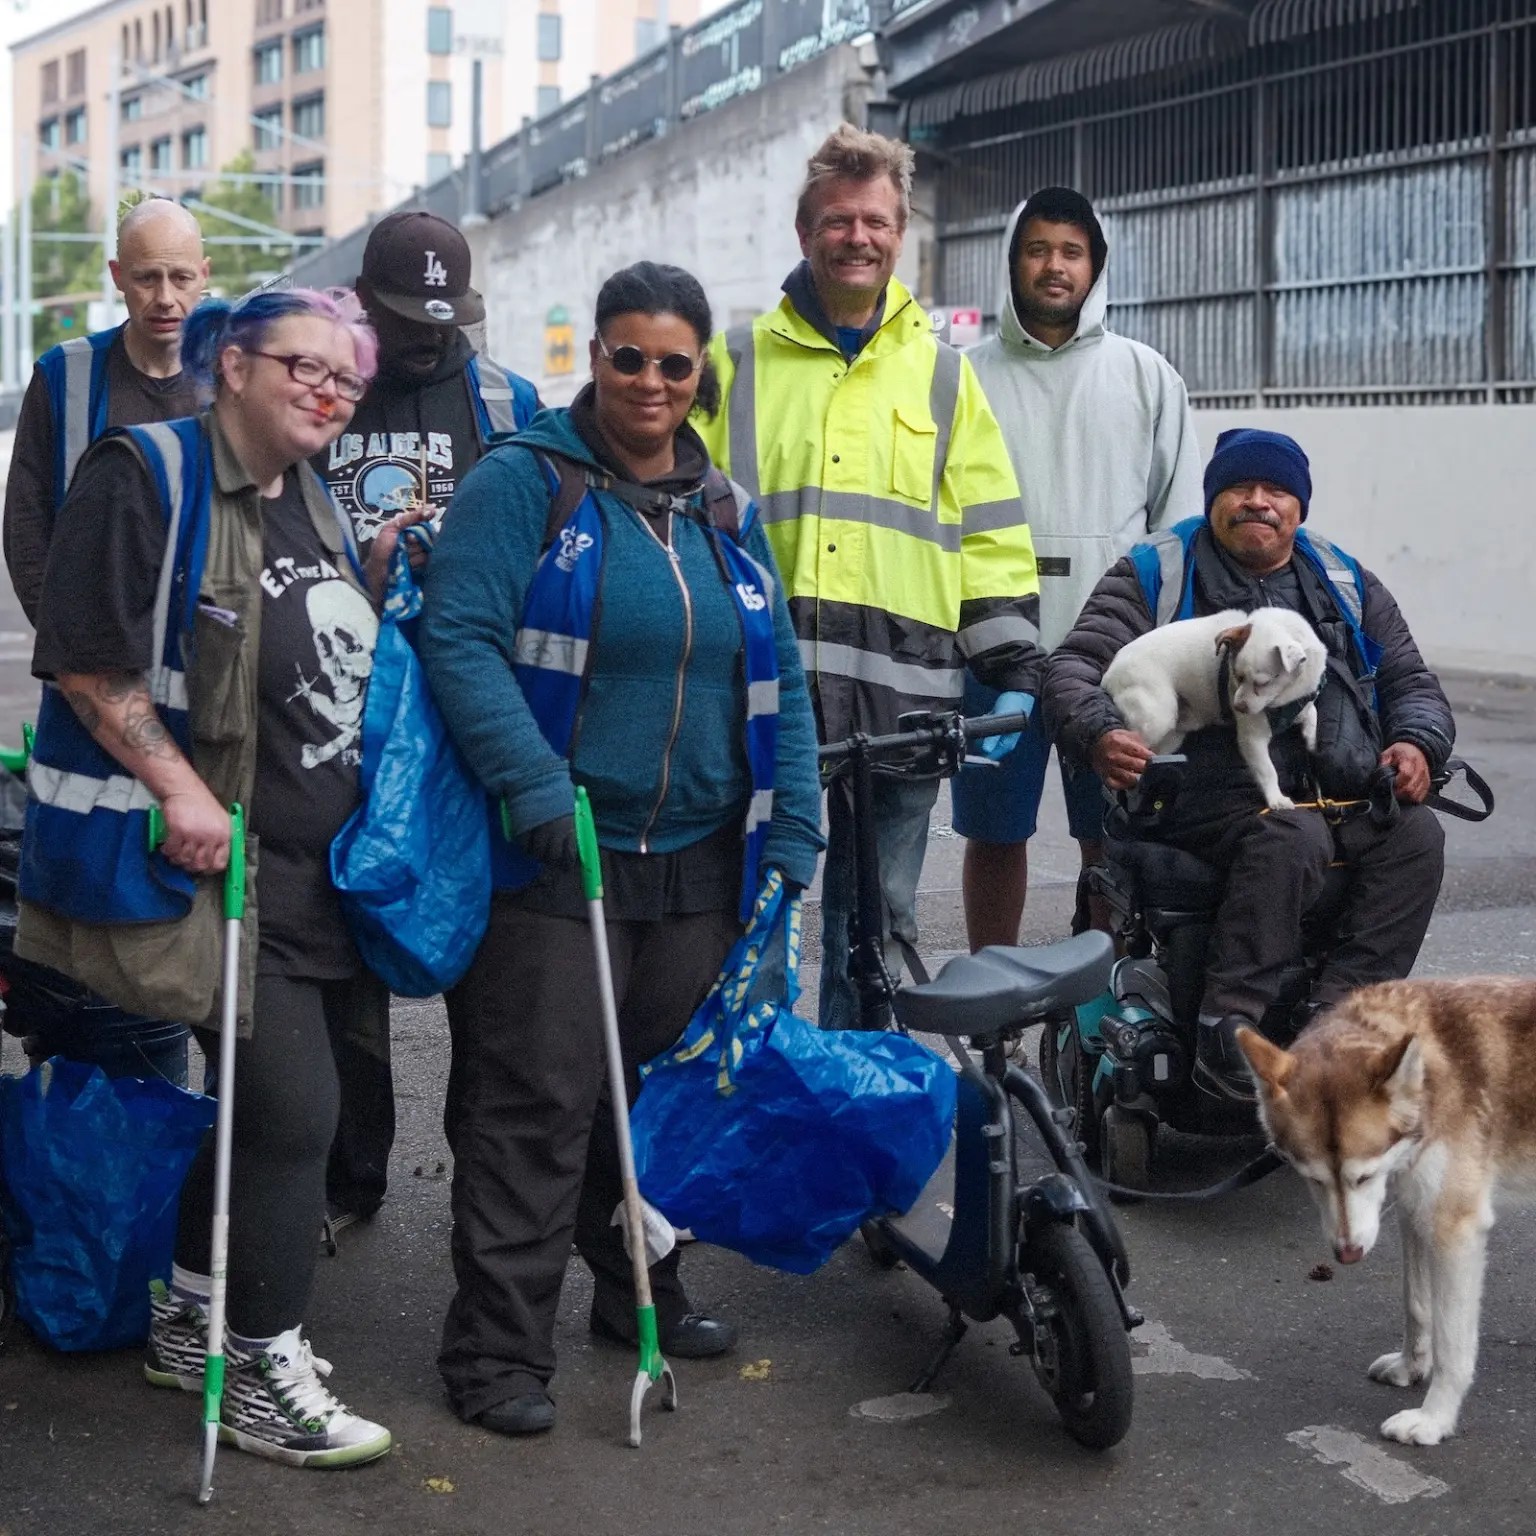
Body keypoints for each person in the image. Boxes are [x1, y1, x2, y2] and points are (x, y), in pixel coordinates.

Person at [16, 286, 421, 1467]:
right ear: (231, 363)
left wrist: (384, 569)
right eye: (303, 366)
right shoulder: (146, 472)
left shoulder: (319, 502)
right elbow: (85, 658)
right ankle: (258, 1373)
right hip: (209, 872)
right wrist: (180, 788)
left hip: (312, 870)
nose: (327, 393)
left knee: (262, 1111)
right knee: (297, 1111)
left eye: (345, 381)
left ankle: (195, 1319)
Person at [419, 261, 823, 1437]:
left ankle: (640, 1286)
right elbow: (463, 641)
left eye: (673, 363)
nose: (650, 381)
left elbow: (779, 675)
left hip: (698, 859)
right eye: (626, 356)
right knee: (533, 1106)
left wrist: (793, 817)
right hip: (553, 857)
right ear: (592, 358)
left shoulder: (724, 508)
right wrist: (535, 788)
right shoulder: (524, 482)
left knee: (657, 1104)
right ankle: (497, 1349)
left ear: (701, 376)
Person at [696, 123, 1042, 1031]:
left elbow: (990, 528)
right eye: (840, 220)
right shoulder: (732, 362)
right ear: (805, 232)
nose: (860, 237)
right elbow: (671, 508)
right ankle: (759, 1109)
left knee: (877, 933)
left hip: (902, 704)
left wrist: (1012, 664)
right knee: (755, 922)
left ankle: (856, 1118)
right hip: (761, 701)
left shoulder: (943, 377)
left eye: (878, 221)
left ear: (901, 233)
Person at [1045, 428, 1454, 1102]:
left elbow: (1410, 677)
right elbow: (1073, 667)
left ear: (1299, 507)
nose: (1257, 502)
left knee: (1416, 836)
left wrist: (1418, 743)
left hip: (1333, 786)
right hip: (1200, 794)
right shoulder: (1157, 572)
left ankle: (1339, 1023)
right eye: (1240, 488)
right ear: (1213, 500)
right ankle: (1225, 1024)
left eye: (1276, 491)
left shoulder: (1343, 581)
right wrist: (1099, 729)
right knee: (1292, 836)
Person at [311, 208, 541, 1239]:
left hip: (466, 725)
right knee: (344, 962)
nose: (425, 337)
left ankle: (481, 1187)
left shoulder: (506, 402)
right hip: (338, 718)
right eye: (405, 315)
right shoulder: (324, 393)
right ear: (363, 302)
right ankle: (347, 1180)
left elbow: (551, 550)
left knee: (485, 973)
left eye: (442, 317)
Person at [951, 187, 1203, 949]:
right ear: (1011, 261)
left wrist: (1171, 654)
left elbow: (1179, 524)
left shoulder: (1146, 375)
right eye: (1037, 249)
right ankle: (992, 997)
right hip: (994, 648)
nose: (1054, 266)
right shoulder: (961, 378)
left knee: (1112, 840)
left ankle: (1102, 1010)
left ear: (1096, 266)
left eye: (1071, 251)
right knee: (994, 835)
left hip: (1115, 656)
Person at [1, 196, 210, 1085]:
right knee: (104, 900)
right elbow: (28, 528)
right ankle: (107, 1076)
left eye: (182, 276)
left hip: (206, 679)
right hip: (96, 684)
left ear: (205, 279)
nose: (165, 296)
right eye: (148, 276)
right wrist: (80, 652)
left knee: (205, 873)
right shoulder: (69, 376)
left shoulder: (231, 372)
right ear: (117, 278)